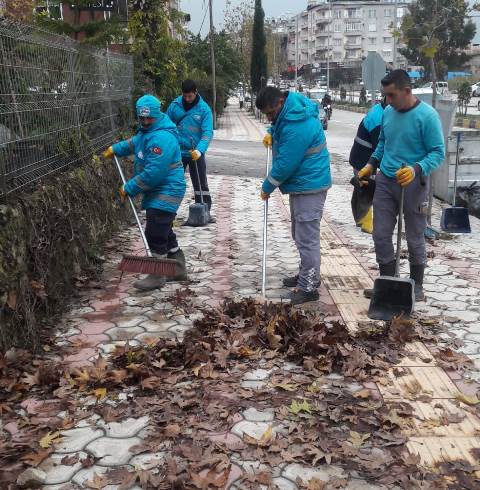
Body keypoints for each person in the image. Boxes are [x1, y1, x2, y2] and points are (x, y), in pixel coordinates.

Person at [358, 70, 445, 301]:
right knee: (381, 234)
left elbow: (438, 152)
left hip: (414, 183)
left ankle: (416, 286)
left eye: (391, 95)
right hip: (386, 180)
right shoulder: (387, 112)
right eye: (385, 95)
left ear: (407, 91)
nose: (387, 100)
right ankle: (387, 282)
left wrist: (416, 168)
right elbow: (383, 144)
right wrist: (371, 164)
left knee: (415, 236)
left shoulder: (427, 116)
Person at [103, 94, 187, 291]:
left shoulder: (162, 137)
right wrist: (115, 149)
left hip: (168, 189)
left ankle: (157, 275)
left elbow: (153, 173)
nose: (146, 121)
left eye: (149, 118)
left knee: (155, 230)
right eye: (142, 118)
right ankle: (179, 269)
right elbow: (134, 143)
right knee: (164, 230)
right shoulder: (147, 132)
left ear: (157, 115)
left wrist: (130, 187)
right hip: (158, 190)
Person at [257, 86, 332, 306]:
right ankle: (307, 275)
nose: (270, 118)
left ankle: (308, 287)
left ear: (281, 102)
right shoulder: (290, 114)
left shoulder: (297, 124)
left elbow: (287, 163)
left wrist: (268, 186)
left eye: (271, 113)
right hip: (304, 184)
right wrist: (273, 132)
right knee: (300, 233)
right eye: (267, 116)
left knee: (306, 237)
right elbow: (281, 131)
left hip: (310, 184)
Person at [167, 79, 215, 222]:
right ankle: (168, 212)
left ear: (196, 93)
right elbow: (166, 126)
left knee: (200, 183)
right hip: (177, 152)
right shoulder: (175, 106)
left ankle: (204, 211)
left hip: (195, 152)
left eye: (190, 96)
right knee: (173, 182)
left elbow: (207, 132)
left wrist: (200, 150)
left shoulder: (204, 109)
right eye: (185, 96)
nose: (187, 99)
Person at [348, 97, 387, 234]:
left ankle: (359, 219)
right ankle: (367, 223)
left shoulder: (379, 110)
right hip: (364, 159)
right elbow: (380, 147)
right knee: (367, 190)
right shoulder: (379, 118)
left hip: (360, 155)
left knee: (361, 187)